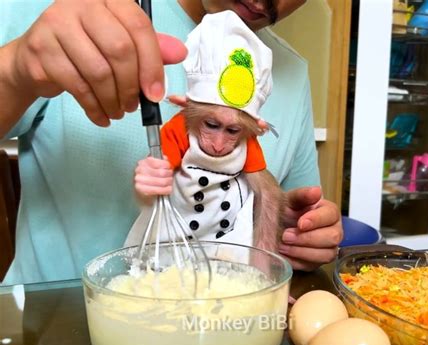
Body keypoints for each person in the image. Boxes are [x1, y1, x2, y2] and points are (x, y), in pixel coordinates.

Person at [0, 0, 343, 285]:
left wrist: (304, 237)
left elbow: (285, 218)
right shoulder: (62, 10)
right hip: (51, 324)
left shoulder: (292, 73)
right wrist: (14, 70)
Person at [127, 10, 284, 251]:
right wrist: (149, 180)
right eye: (211, 125)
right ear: (184, 107)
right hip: (174, 240)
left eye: (232, 131)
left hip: (223, 244)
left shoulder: (247, 139)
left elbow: (270, 195)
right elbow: (152, 193)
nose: (219, 145)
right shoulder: (180, 127)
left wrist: (265, 264)